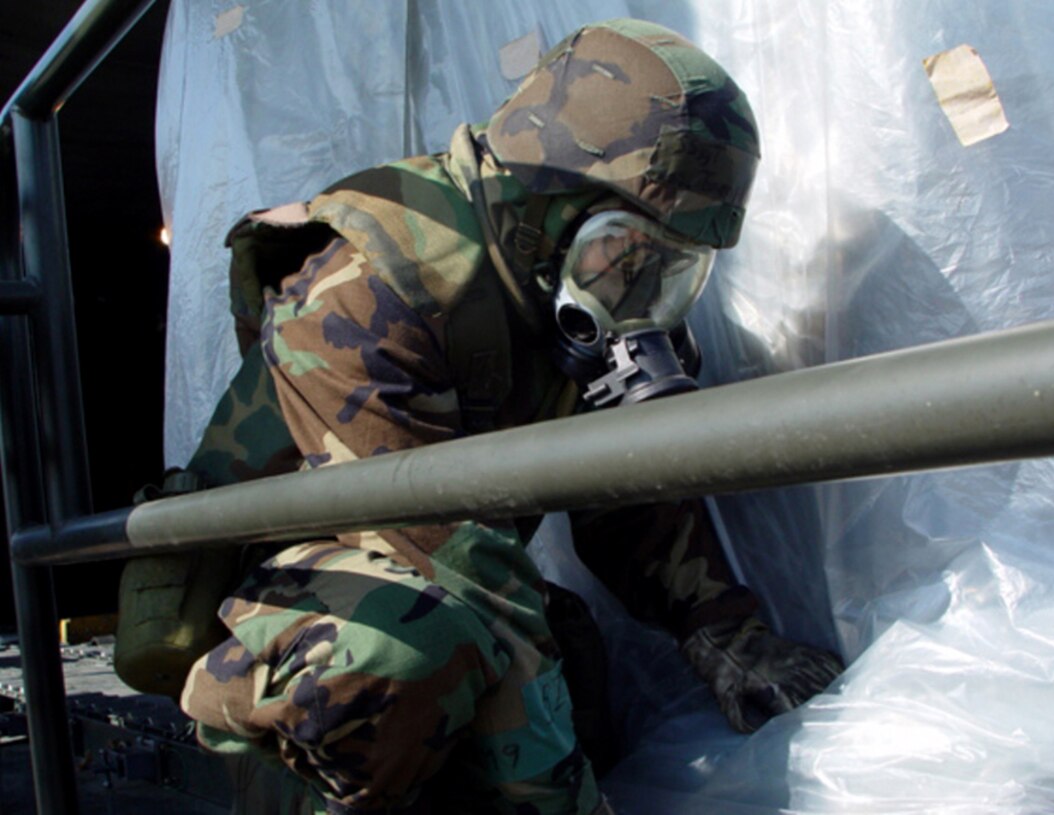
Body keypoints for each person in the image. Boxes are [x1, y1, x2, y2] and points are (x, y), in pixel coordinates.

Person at [166, 19, 840, 814]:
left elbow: (623, 491)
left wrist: (725, 635)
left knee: (562, 652)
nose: (641, 293)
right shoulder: (367, 283)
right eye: (628, 254)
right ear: (543, 206)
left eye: (673, 270)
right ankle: (247, 768)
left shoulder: (557, 289)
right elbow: (453, 565)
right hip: (276, 616)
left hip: (427, 580)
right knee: (405, 654)